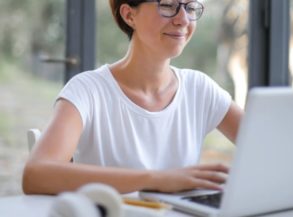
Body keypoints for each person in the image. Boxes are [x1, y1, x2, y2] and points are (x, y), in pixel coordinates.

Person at [22, 0, 243, 195]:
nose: (183, 19)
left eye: (191, 7)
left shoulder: (200, 88)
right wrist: (155, 180)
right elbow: (36, 174)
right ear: (129, 15)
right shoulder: (87, 90)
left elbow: (268, 146)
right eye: (167, 5)